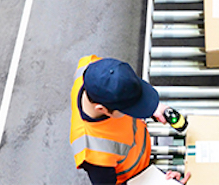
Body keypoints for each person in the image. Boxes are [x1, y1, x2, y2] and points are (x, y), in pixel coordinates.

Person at [70, 55, 191, 184]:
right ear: (102, 109)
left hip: (142, 152)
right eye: (130, 109)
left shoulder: (91, 67)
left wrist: (151, 107)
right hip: (137, 177)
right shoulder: (93, 153)